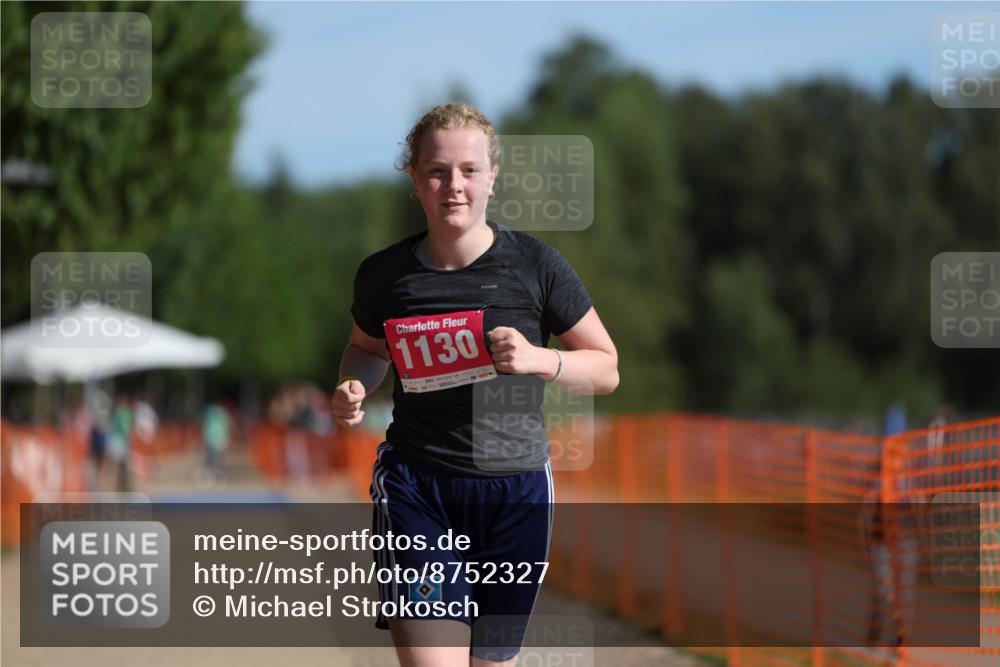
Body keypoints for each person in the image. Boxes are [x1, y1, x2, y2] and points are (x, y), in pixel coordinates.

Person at [331, 102, 618, 667]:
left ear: (492, 178)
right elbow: (365, 350)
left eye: (468, 170)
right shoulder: (385, 276)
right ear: (415, 180)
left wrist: (541, 360)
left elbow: (607, 367)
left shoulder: (537, 266)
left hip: (516, 495)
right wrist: (352, 388)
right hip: (419, 489)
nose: (453, 185)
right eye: (437, 170)